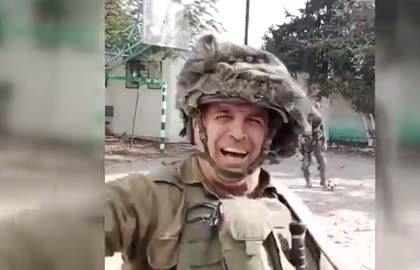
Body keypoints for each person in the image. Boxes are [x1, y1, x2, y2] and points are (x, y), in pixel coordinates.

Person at [105, 34, 321, 270]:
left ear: (270, 134)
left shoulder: (284, 207)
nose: (238, 133)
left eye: (254, 121)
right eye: (223, 116)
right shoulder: (145, 197)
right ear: (197, 125)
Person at [299, 111, 328, 188]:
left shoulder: (317, 117)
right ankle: (308, 182)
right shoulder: (302, 117)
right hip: (306, 142)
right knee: (305, 165)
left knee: (321, 158)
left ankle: (323, 180)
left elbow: (322, 129)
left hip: (317, 139)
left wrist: (324, 142)